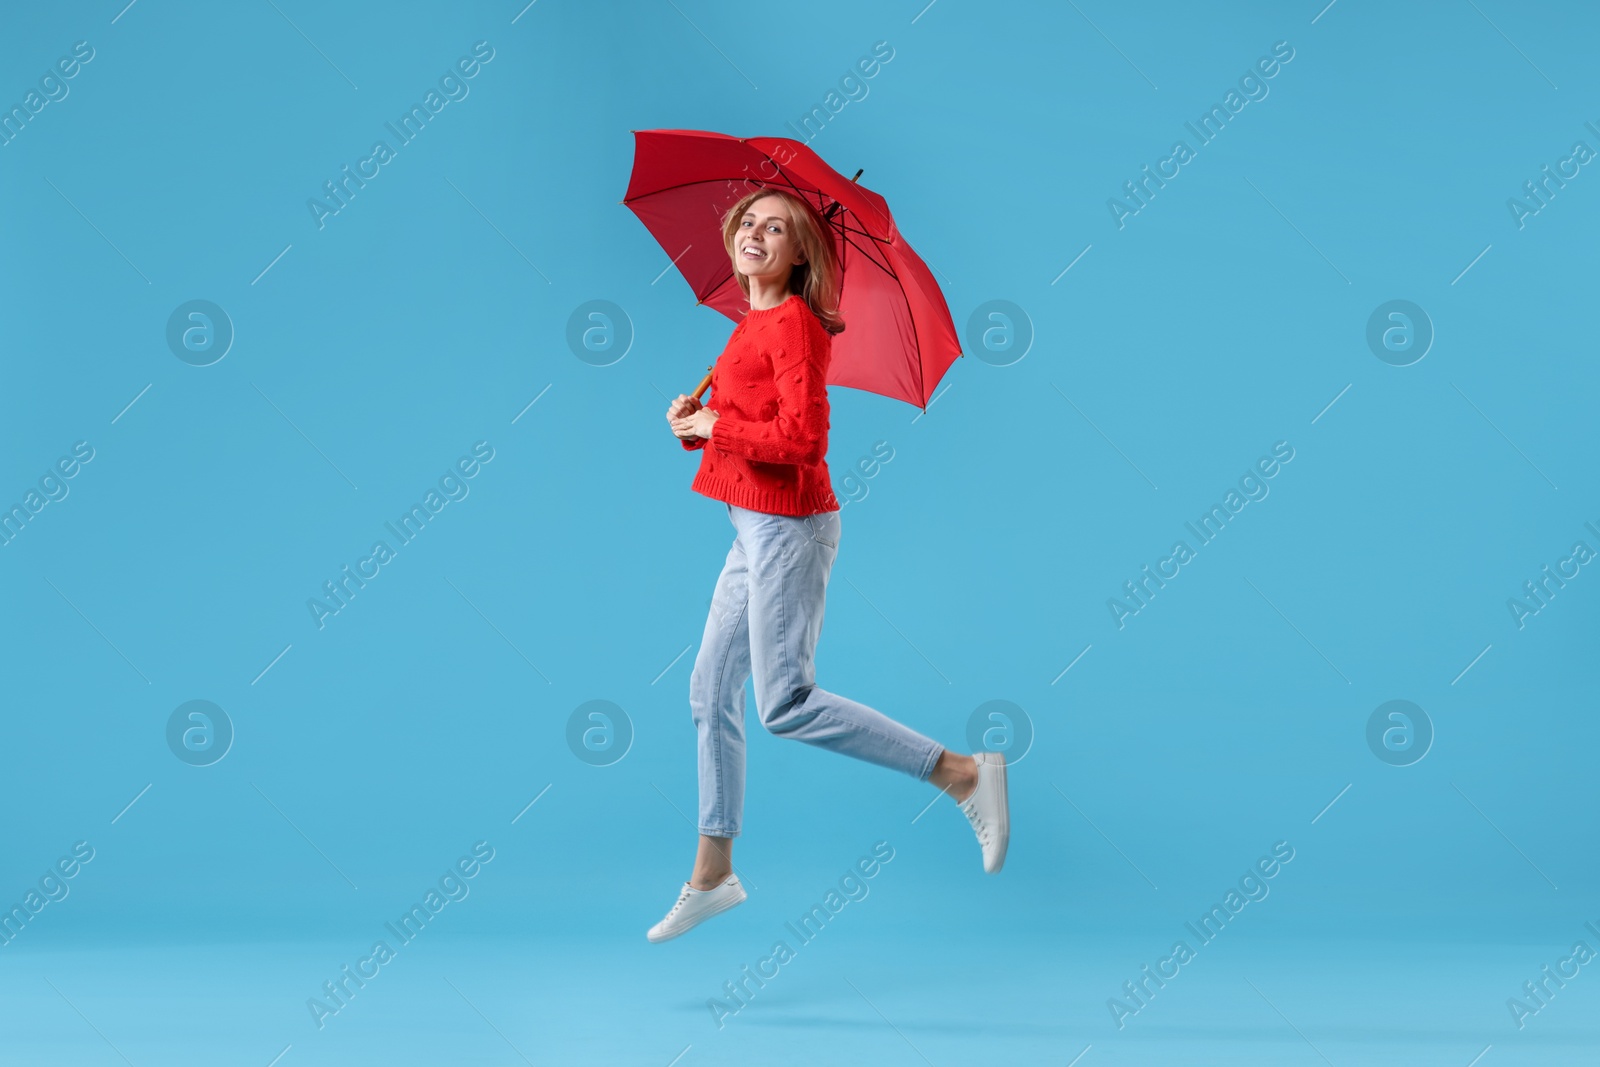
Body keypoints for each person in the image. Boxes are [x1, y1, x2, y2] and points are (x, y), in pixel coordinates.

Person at [649, 186, 1008, 944]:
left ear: (800, 252)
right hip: (751, 525)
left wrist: (720, 422)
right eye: (750, 220)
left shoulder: (798, 327)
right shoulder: (751, 322)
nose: (757, 232)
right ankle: (713, 872)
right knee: (710, 684)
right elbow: (746, 431)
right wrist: (695, 426)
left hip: (790, 527)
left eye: (777, 228)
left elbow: (802, 441)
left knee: (784, 702)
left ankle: (961, 772)